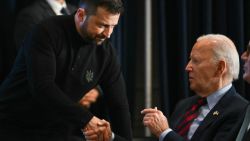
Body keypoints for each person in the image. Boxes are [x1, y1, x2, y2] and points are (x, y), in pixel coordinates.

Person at [0, 0, 132, 141]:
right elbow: (42, 87)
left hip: (59, 129)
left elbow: (119, 106)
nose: (108, 34)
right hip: (13, 124)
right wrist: (87, 119)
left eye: (113, 26)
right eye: (102, 25)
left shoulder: (106, 53)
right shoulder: (46, 32)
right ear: (81, 15)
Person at [141, 34, 248, 141]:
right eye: (190, 60)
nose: (187, 67)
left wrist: (164, 133)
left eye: (196, 61)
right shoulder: (184, 105)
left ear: (220, 68)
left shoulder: (241, 111)